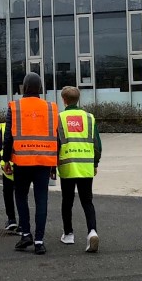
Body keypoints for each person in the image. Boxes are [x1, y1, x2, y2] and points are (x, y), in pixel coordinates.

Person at [2, 72, 58, 255]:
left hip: (22, 161)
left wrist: (6, 159)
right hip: (44, 161)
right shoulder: (51, 108)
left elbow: (8, 136)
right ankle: (39, 241)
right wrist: (54, 165)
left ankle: (26, 234)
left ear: (24, 88)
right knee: (41, 199)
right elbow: (56, 137)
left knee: (21, 197)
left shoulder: (15, 107)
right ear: (40, 88)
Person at [57, 86, 102, 253]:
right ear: (78, 99)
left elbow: (56, 143)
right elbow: (97, 144)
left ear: (64, 100)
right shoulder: (89, 118)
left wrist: (53, 165)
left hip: (68, 165)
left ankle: (68, 234)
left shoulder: (60, 118)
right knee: (87, 201)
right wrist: (95, 163)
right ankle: (92, 232)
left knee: (67, 201)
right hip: (85, 166)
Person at [0, 120, 19, 233]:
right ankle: (22, 224)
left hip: (8, 165)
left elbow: (0, 147)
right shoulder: (23, 122)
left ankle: (11, 219)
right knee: (21, 195)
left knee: (8, 193)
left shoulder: (3, 127)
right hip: (21, 164)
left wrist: (3, 161)